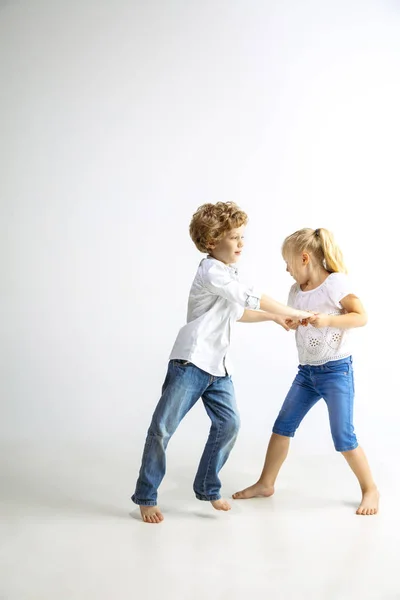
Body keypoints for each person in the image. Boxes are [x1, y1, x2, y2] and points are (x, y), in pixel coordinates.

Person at [131, 203, 311, 523]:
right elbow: (246, 296)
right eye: (234, 237)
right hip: (190, 363)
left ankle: (207, 486)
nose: (241, 243)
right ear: (212, 242)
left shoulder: (227, 273)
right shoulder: (210, 271)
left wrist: (274, 318)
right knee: (162, 429)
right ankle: (146, 495)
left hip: (217, 370)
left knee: (229, 424)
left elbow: (237, 311)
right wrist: (291, 311)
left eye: (242, 237)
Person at [233, 227, 379, 516]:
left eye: (287, 262)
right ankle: (266, 483)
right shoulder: (295, 292)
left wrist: (327, 321)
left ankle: (370, 489)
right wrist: (290, 322)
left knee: (343, 437)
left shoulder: (334, 284)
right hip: (306, 374)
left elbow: (361, 316)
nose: (285, 269)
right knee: (282, 427)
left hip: (337, 371)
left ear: (304, 258)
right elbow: (296, 321)